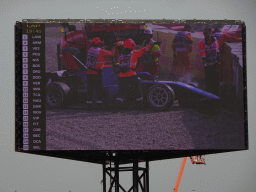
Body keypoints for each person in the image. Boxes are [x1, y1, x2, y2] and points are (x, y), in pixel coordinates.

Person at [115, 38, 158, 110]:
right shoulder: (134, 53)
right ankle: (140, 106)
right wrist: (152, 45)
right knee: (138, 90)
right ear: (132, 46)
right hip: (131, 75)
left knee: (121, 93)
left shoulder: (121, 54)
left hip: (121, 76)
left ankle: (117, 107)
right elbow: (144, 50)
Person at [86, 37, 116, 110]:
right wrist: (113, 47)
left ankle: (89, 106)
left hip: (89, 73)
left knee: (90, 90)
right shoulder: (100, 51)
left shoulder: (90, 50)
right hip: (97, 74)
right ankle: (98, 106)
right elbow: (111, 54)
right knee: (99, 90)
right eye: (99, 42)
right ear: (98, 43)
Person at [199, 27, 220, 96]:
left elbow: (217, 51)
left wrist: (219, 61)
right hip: (208, 64)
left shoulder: (215, 40)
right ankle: (208, 95)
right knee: (208, 81)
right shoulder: (202, 42)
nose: (205, 35)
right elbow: (203, 55)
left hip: (215, 64)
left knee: (216, 80)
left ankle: (216, 95)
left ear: (211, 33)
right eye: (204, 33)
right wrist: (205, 63)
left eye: (206, 33)